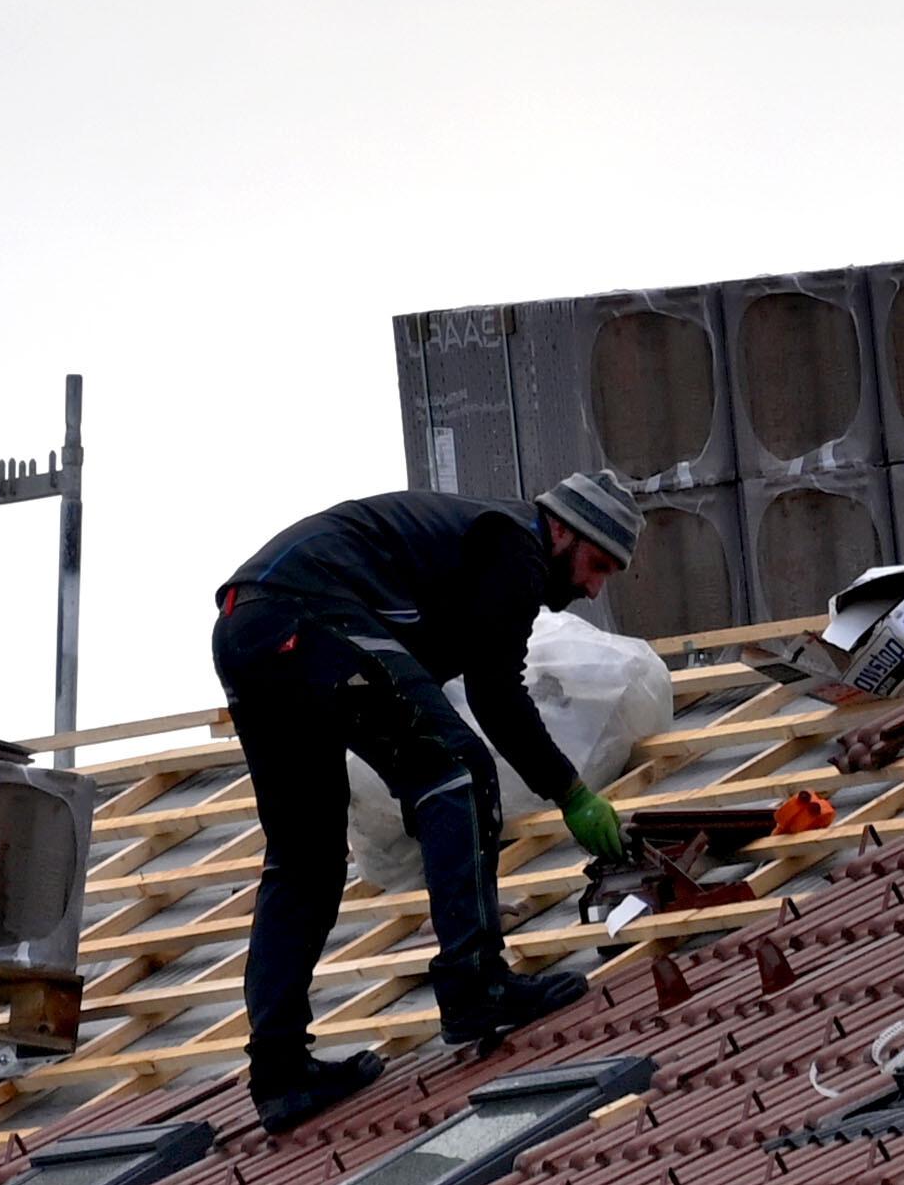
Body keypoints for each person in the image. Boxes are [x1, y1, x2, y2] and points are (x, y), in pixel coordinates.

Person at [213, 472, 640, 1129]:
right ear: (561, 530)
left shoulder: (470, 561)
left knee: (306, 859)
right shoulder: (515, 549)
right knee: (457, 772)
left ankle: (279, 1072)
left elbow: (425, 690)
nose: (592, 588)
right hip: (306, 614)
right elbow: (498, 698)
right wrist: (573, 792)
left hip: (248, 629)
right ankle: (475, 986)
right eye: (597, 564)